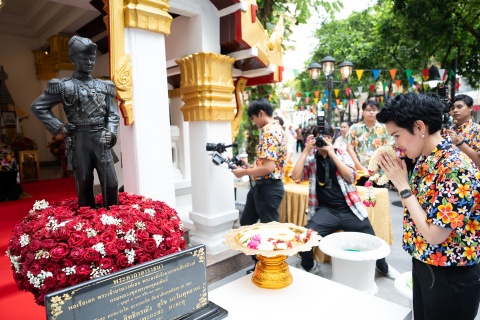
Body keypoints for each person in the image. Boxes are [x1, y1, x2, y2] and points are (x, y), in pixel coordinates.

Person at [376, 93, 480, 320]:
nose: (396, 144)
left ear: (419, 126)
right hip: (426, 263)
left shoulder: (455, 166)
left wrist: (403, 186)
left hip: (450, 272)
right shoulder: (427, 159)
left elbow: (435, 234)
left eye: (397, 135)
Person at [290, 124, 399, 279]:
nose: (323, 140)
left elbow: (351, 177)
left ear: (332, 138)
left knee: (371, 237)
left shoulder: (341, 154)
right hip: (326, 211)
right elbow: (295, 177)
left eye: (326, 137)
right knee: (305, 237)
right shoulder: (311, 158)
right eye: (319, 137)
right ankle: (309, 265)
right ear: (313, 140)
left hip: (349, 209)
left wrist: (332, 154)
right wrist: (306, 150)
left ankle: (383, 267)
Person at [31, 35, 120, 209]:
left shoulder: (104, 86)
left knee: (111, 183)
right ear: (73, 59)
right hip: (79, 139)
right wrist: (60, 127)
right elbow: (38, 107)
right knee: (84, 182)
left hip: (101, 138)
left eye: (92, 58)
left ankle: (114, 220)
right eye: (84, 58)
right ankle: (88, 223)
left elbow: (113, 114)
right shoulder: (64, 86)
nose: (89, 62)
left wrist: (110, 132)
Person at [232, 98, 287, 273]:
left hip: (268, 188)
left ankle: (272, 269)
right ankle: (260, 264)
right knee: (247, 223)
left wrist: (244, 173)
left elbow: (269, 168)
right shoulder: (277, 128)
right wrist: (250, 168)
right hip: (262, 187)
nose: (254, 122)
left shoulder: (269, 130)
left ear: (261, 113)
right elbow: (267, 166)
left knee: (269, 233)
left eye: (254, 118)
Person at [345, 100, 393, 185]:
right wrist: (361, 167)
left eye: (374, 110)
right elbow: (350, 149)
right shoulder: (355, 128)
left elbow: (389, 149)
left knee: (379, 197)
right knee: (360, 197)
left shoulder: (384, 128)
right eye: (368, 110)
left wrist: (377, 167)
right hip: (359, 173)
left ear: (378, 112)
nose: (371, 112)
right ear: (363, 112)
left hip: (379, 173)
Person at [444, 94, 480, 167]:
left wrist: (459, 143)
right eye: (452, 108)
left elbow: (478, 161)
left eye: (459, 107)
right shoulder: (448, 131)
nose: (455, 110)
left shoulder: (477, 129)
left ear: (470, 108)